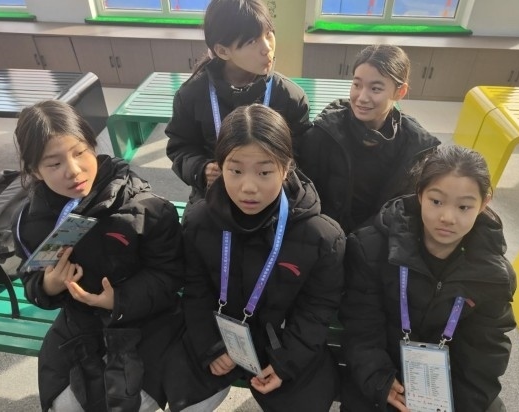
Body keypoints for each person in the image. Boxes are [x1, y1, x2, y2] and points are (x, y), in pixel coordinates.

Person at [12, 100, 184, 412]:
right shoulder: (29, 221)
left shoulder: (147, 208)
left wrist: (118, 300)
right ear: (34, 170)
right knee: (65, 405)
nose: (73, 170)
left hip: (146, 322)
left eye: (79, 152)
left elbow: (170, 275)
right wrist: (48, 285)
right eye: (54, 164)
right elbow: (30, 279)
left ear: (93, 145)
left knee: (130, 401)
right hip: (78, 325)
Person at [179, 104, 345, 411]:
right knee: (180, 397)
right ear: (220, 166)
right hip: (218, 336)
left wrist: (286, 363)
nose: (248, 187)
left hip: (283, 344)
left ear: (287, 167)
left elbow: (316, 310)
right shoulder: (199, 221)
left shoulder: (322, 236)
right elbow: (195, 291)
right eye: (235, 170)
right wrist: (210, 347)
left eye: (264, 172)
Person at [340, 145, 516, 411]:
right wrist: (379, 379)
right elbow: (361, 326)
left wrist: (454, 404)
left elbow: (486, 353)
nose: (447, 217)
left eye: (464, 206)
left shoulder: (493, 275)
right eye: (436, 201)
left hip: (448, 379)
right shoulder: (372, 248)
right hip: (384, 371)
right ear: (420, 193)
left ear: (484, 204)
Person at [165, 0, 311, 208]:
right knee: (193, 225)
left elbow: (301, 155)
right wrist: (200, 169)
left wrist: (277, 172)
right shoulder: (191, 95)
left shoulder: (289, 97)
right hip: (214, 196)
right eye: (252, 41)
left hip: (271, 199)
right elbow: (180, 146)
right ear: (223, 51)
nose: (267, 48)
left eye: (269, 33)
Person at [298, 44, 441, 234]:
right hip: (326, 235)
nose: (362, 97)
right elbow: (303, 195)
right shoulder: (324, 133)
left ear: (400, 92)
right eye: (357, 85)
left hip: (379, 240)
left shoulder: (417, 148)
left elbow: (407, 211)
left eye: (375, 88)